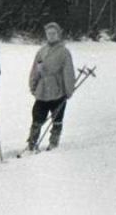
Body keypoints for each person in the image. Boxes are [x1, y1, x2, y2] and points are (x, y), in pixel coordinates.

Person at [27, 22, 76, 151]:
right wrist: (33, 85)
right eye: (49, 33)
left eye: (54, 33)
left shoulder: (64, 52)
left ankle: (53, 142)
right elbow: (35, 70)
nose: (51, 36)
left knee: (57, 118)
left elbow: (68, 72)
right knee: (37, 116)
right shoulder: (41, 51)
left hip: (58, 90)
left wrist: (68, 90)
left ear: (58, 34)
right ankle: (32, 142)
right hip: (42, 90)